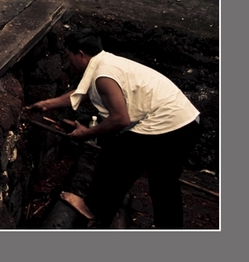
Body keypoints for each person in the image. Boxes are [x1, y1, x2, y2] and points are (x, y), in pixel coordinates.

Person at [25, 29, 201, 229]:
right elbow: (82, 92)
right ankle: (169, 228)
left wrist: (86, 133)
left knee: (116, 156)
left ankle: (94, 208)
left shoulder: (102, 75)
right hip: (187, 121)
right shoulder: (104, 63)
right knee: (163, 183)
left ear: (81, 54)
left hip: (169, 126)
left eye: (69, 55)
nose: (68, 61)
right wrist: (48, 104)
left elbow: (120, 119)